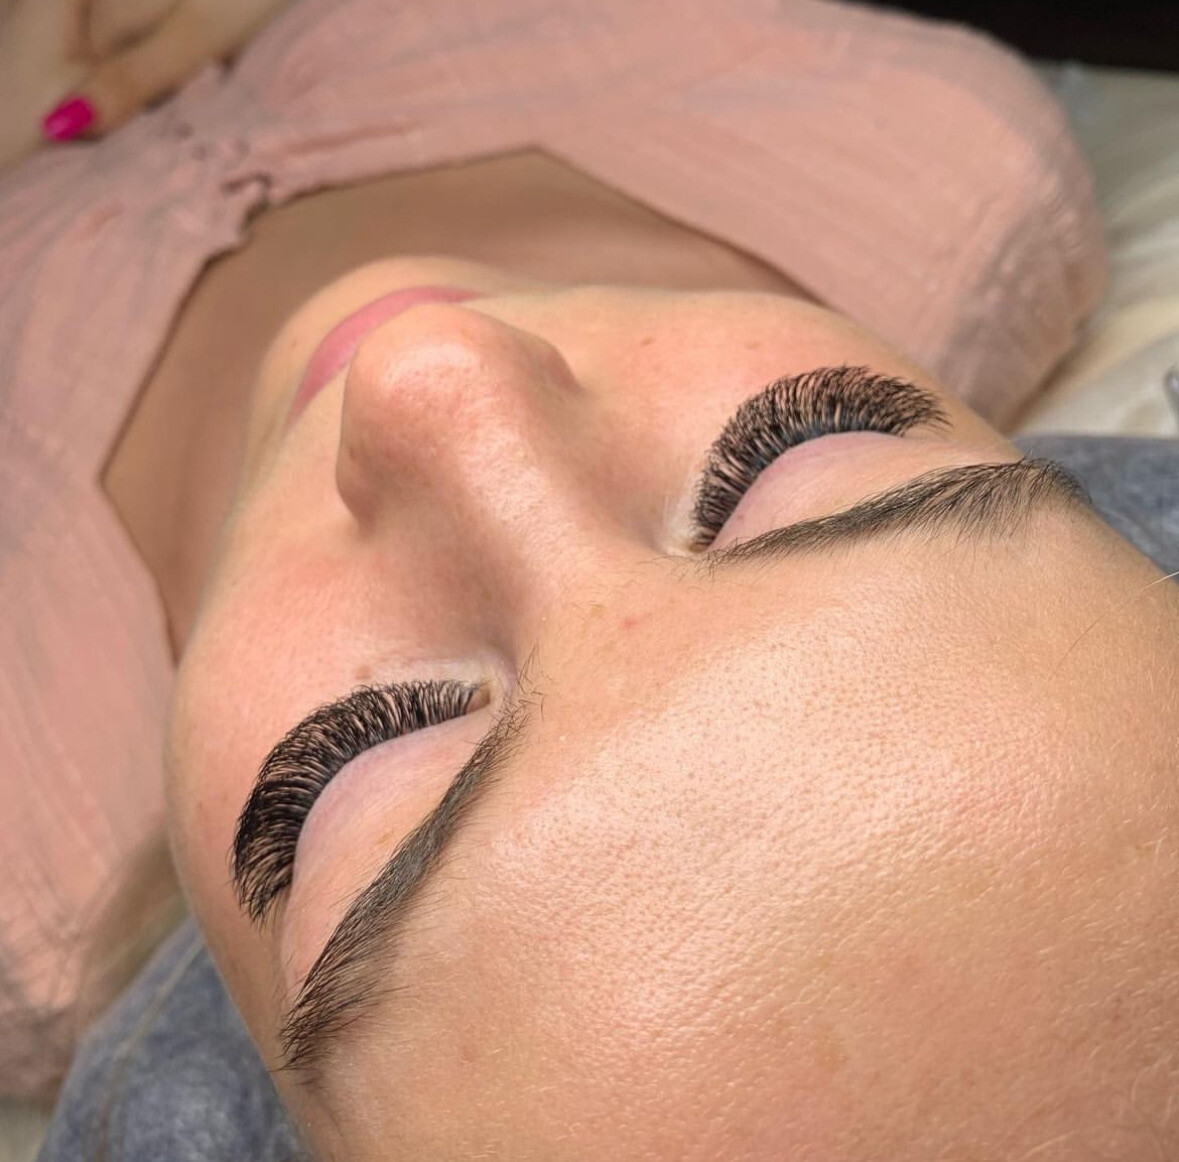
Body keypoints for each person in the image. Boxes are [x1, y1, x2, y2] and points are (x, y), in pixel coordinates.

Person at [5, 0, 1176, 1158]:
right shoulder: (929, 149)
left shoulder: (23, 841)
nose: (427, 367)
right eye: (795, 455)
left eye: (363, 753)